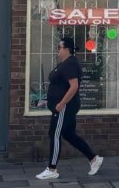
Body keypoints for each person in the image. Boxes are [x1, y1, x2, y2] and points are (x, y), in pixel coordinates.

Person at [36, 36, 104, 180]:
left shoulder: (70, 64)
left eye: (59, 47)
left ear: (67, 49)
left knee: (54, 134)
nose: (57, 50)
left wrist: (61, 104)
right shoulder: (64, 63)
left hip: (64, 107)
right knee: (69, 134)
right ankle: (93, 159)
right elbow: (59, 85)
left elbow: (74, 86)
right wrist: (47, 100)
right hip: (62, 106)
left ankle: (52, 169)